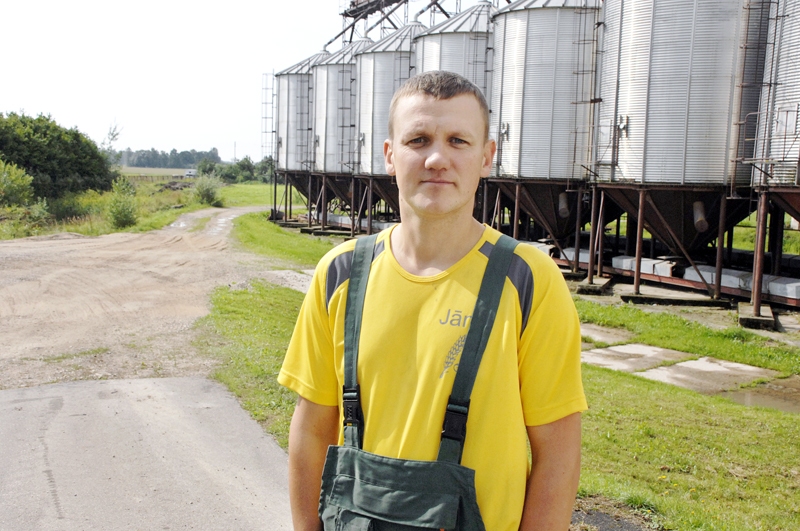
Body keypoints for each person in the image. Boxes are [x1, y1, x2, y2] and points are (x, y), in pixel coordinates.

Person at [278, 70, 587, 531]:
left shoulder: (528, 279)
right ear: (390, 155)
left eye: (458, 141)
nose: (437, 158)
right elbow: (311, 431)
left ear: (486, 156)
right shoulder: (340, 274)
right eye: (418, 139)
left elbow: (557, 453)